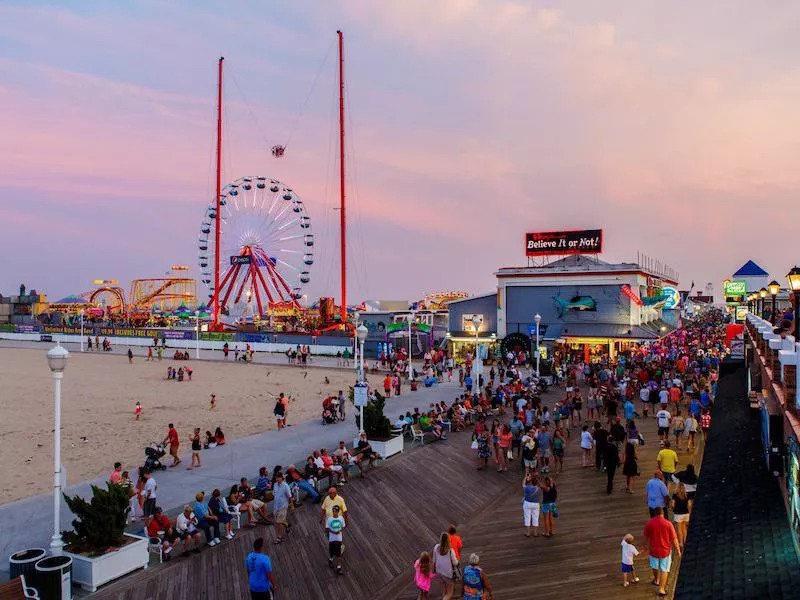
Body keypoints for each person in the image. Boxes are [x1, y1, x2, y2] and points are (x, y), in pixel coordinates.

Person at [643, 507, 681, 597]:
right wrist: (678, 550)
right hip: (665, 550)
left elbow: (646, 536)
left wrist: (644, 546)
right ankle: (662, 589)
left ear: (655, 514)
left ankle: (656, 580)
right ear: (662, 514)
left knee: (654, 566)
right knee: (665, 570)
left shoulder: (649, 523)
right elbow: (674, 538)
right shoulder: (668, 524)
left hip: (653, 550)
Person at [433, 532, 458, 600]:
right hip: (448, 574)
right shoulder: (450, 550)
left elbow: (434, 560)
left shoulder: (436, 547)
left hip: (439, 572)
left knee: (444, 592)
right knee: (449, 593)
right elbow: (455, 562)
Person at [272, 472, 292, 544]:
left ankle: (279, 537)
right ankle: (287, 526)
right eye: (276, 478)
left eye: (278, 477)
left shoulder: (285, 486)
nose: (277, 479)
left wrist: (291, 505)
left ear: (281, 478)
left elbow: (290, 496)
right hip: (276, 506)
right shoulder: (275, 485)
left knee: (278, 522)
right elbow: (274, 494)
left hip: (283, 506)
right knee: (280, 521)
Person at [326, 504, 346, 575]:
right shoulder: (329, 519)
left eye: (335, 511)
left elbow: (344, 526)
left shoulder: (341, 518)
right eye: (333, 511)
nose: (334, 512)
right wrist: (333, 532)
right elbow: (327, 528)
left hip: (338, 539)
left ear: (338, 512)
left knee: (338, 554)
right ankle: (330, 560)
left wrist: (340, 530)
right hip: (332, 539)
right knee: (331, 551)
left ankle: (338, 567)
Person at [522, 472, 542, 537]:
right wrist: (536, 478)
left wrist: (525, 476)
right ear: (536, 483)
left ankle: (528, 533)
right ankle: (535, 533)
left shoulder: (527, 488)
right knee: (535, 517)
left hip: (527, 503)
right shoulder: (539, 489)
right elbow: (540, 484)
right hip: (536, 504)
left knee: (527, 517)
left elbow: (523, 484)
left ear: (531, 482)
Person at [671, 483, 691, 549]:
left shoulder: (674, 495)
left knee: (679, 529)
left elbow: (673, 504)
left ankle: (681, 543)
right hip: (686, 514)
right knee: (684, 528)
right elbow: (689, 505)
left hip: (678, 514)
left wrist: (673, 509)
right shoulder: (687, 495)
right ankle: (686, 541)